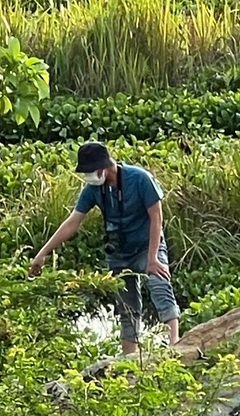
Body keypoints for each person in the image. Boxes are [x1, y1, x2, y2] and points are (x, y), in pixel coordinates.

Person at [29, 141, 179, 356]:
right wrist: (42, 253)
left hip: (147, 245)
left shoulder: (139, 179)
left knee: (159, 283)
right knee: (126, 307)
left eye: (91, 171)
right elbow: (73, 222)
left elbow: (156, 218)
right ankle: (129, 357)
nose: (89, 176)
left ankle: (175, 343)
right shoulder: (93, 189)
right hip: (119, 252)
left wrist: (153, 258)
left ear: (105, 166)